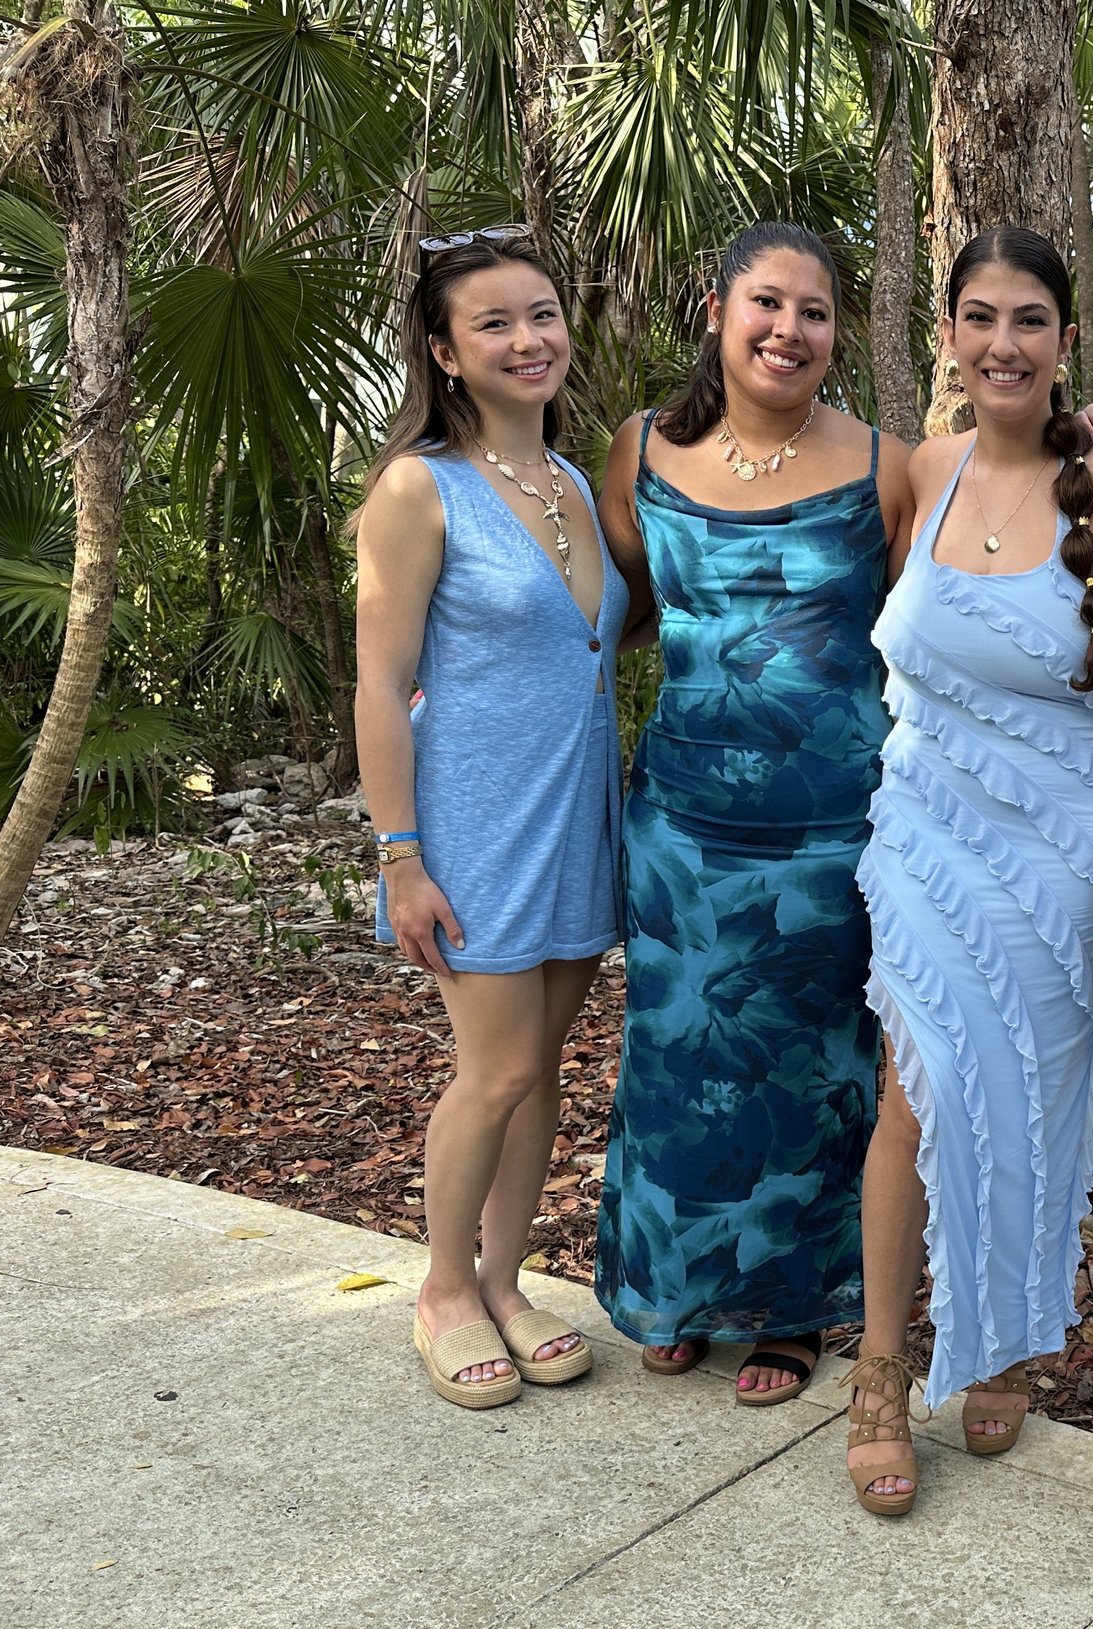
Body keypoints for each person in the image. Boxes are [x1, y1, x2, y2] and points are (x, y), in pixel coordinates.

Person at [842, 228, 1093, 1515]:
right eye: (979, 318)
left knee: (1033, 1094)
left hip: (1061, 850)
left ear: (1065, 341)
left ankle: (1009, 1335)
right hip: (924, 836)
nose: (1003, 344)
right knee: (911, 1093)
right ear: (949, 336)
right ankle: (881, 1366)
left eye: (1029, 320)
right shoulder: (921, 469)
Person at [593, 224, 914, 1402]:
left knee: (815, 1071)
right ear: (717, 311)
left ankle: (794, 1309)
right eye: (766, 304)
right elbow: (617, 604)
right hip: (681, 830)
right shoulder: (641, 449)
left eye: (814, 311)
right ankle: (677, 1291)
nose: (789, 329)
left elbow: (942, 610)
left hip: (834, 833)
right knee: (676, 1060)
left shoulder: (886, 465)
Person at [355, 225, 619, 1409]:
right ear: (445, 353)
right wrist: (400, 857)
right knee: (496, 1069)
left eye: (541, 314)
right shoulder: (420, 488)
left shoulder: (573, 482)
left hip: (578, 820)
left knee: (540, 1069)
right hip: (474, 826)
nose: (527, 340)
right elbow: (378, 682)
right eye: (494, 323)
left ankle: (506, 1283)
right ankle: (443, 1291)